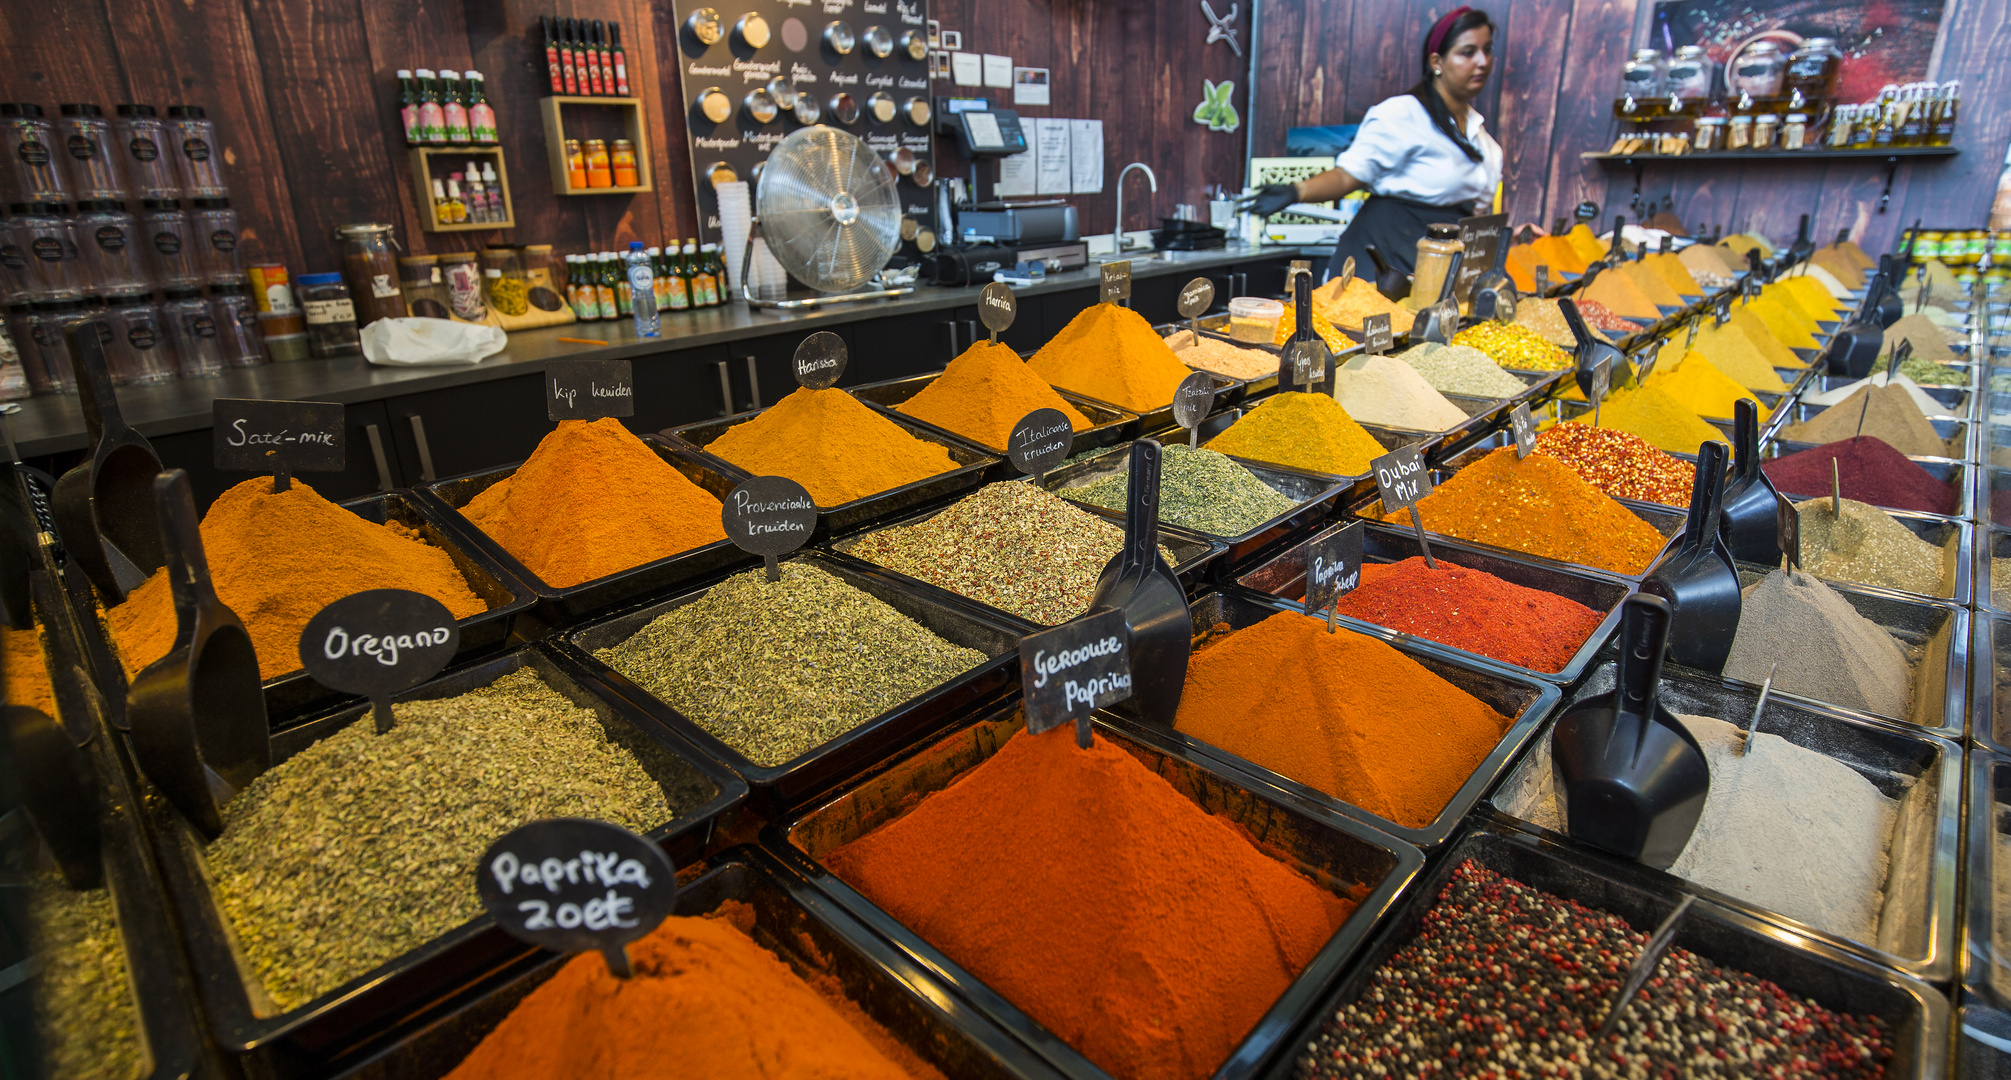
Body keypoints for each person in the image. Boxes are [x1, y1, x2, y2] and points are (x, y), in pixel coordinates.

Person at [1242, 7, 1501, 287]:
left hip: (1439, 269)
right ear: (1437, 62)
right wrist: (1295, 191)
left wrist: (1509, 234)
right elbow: (1347, 176)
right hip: (1380, 260)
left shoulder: (1484, 142)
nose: (1482, 61)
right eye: (1468, 52)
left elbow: (1479, 219)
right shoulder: (1403, 114)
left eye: (1487, 50)